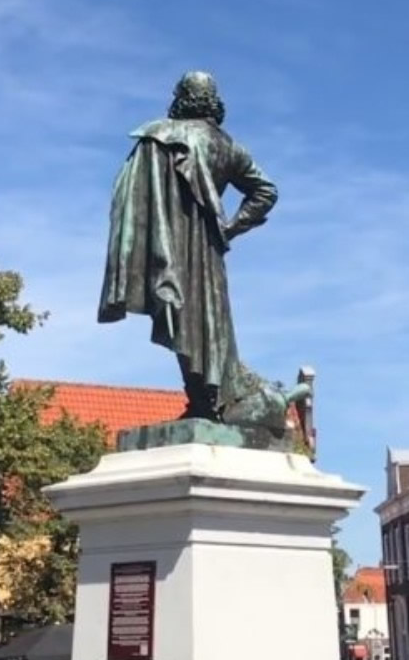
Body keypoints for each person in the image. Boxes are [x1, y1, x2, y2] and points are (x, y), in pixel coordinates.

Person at [99, 71, 278, 419]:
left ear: (181, 98)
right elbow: (266, 192)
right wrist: (231, 227)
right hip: (208, 249)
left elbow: (128, 198)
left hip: (165, 241)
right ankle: (205, 400)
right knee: (207, 325)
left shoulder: (158, 136)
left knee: (182, 317)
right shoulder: (229, 147)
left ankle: (204, 401)